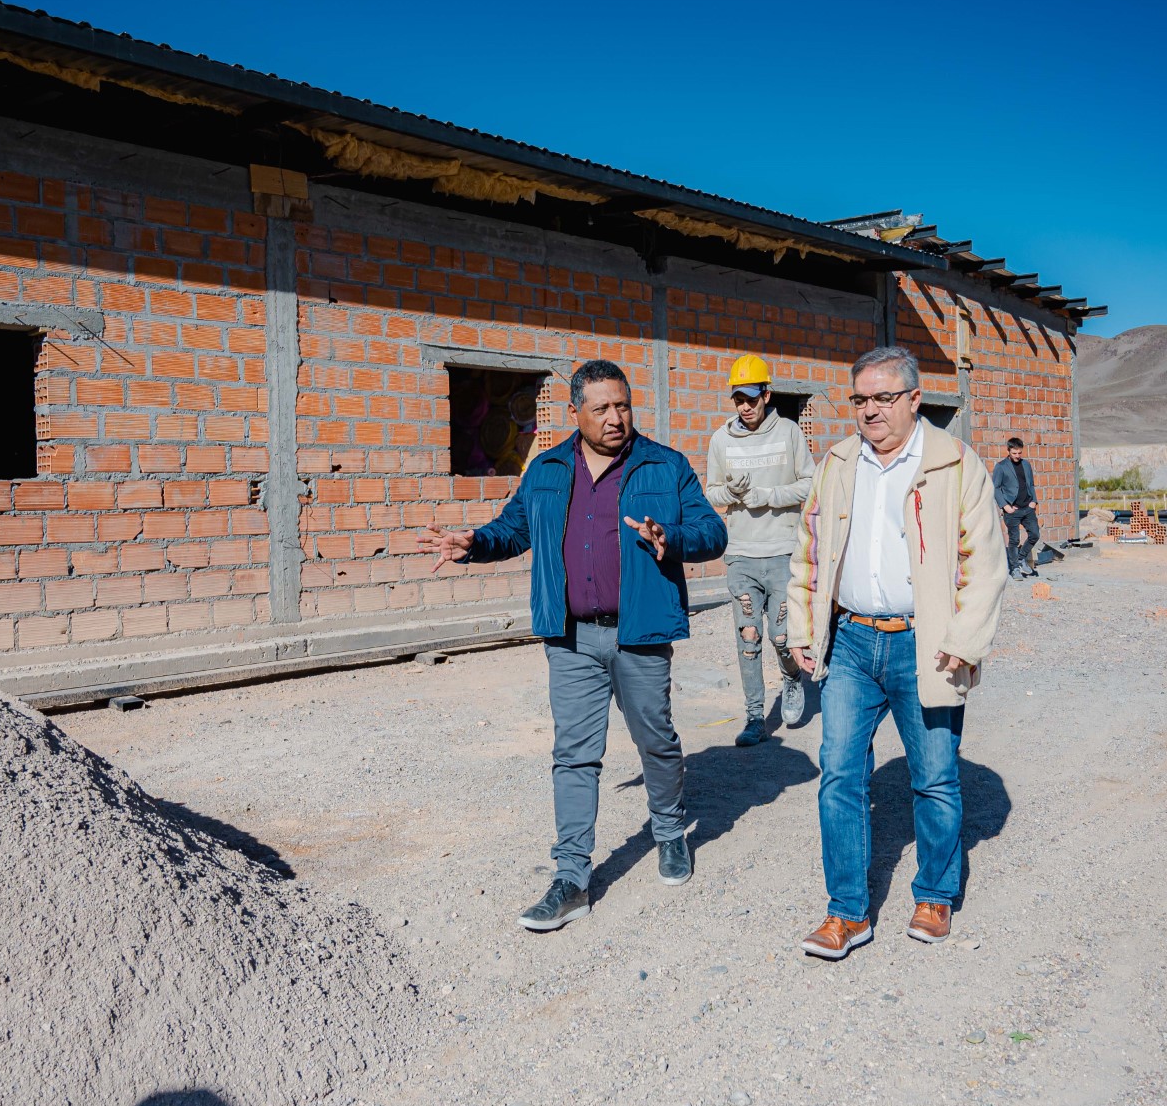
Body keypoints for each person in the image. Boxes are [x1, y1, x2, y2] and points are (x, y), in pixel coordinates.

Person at [418, 360, 727, 933]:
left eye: (624, 406)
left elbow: (714, 533)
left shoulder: (667, 464)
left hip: (641, 633)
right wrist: (474, 543)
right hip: (572, 638)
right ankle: (572, 877)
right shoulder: (547, 468)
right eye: (602, 408)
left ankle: (668, 831)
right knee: (574, 755)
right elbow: (513, 530)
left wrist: (671, 540)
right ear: (574, 413)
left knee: (655, 740)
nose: (616, 418)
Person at [785, 345, 1007, 960]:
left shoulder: (954, 464)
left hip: (927, 644)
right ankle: (846, 912)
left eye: (884, 398)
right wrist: (803, 630)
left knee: (934, 776)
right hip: (852, 640)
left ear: (914, 399)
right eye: (860, 399)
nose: (870, 411)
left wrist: (964, 642)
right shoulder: (837, 464)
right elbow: (808, 550)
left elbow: (985, 563)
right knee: (840, 776)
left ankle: (934, 893)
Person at [705, 354, 817, 747]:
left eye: (752, 398)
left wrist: (767, 496)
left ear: (767, 395)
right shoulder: (721, 440)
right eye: (738, 399)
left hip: (783, 551)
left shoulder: (788, 433)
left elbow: (810, 484)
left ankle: (791, 678)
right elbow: (711, 492)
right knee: (748, 636)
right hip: (741, 554)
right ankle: (754, 717)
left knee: (783, 636)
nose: (745, 406)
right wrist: (732, 493)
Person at [992, 436, 1040, 579]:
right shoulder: (1001, 466)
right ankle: (1014, 569)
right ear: (1009, 451)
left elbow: (1031, 484)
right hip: (1012, 510)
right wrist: (1005, 506)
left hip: (1028, 507)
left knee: (1035, 535)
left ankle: (1020, 558)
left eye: (1019, 453)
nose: (1017, 456)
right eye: (1014, 453)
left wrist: (1034, 501)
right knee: (1014, 540)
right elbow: (995, 488)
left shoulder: (1026, 465)